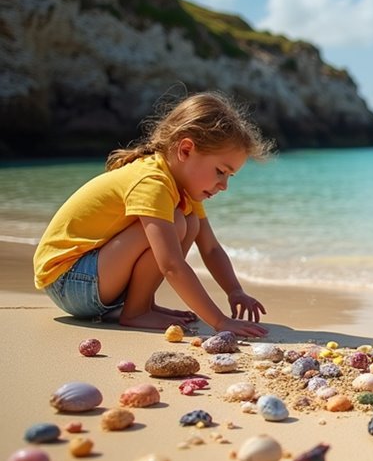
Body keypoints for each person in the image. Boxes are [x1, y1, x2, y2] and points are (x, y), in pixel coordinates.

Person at [33, 91, 273, 338]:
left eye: (229, 176)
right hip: (68, 282)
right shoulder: (152, 182)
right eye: (221, 171)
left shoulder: (182, 190)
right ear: (186, 150)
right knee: (178, 223)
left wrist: (235, 291)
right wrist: (219, 321)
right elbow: (170, 264)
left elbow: (210, 248)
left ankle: (141, 306)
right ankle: (136, 312)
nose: (224, 185)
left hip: (92, 282)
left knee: (189, 222)